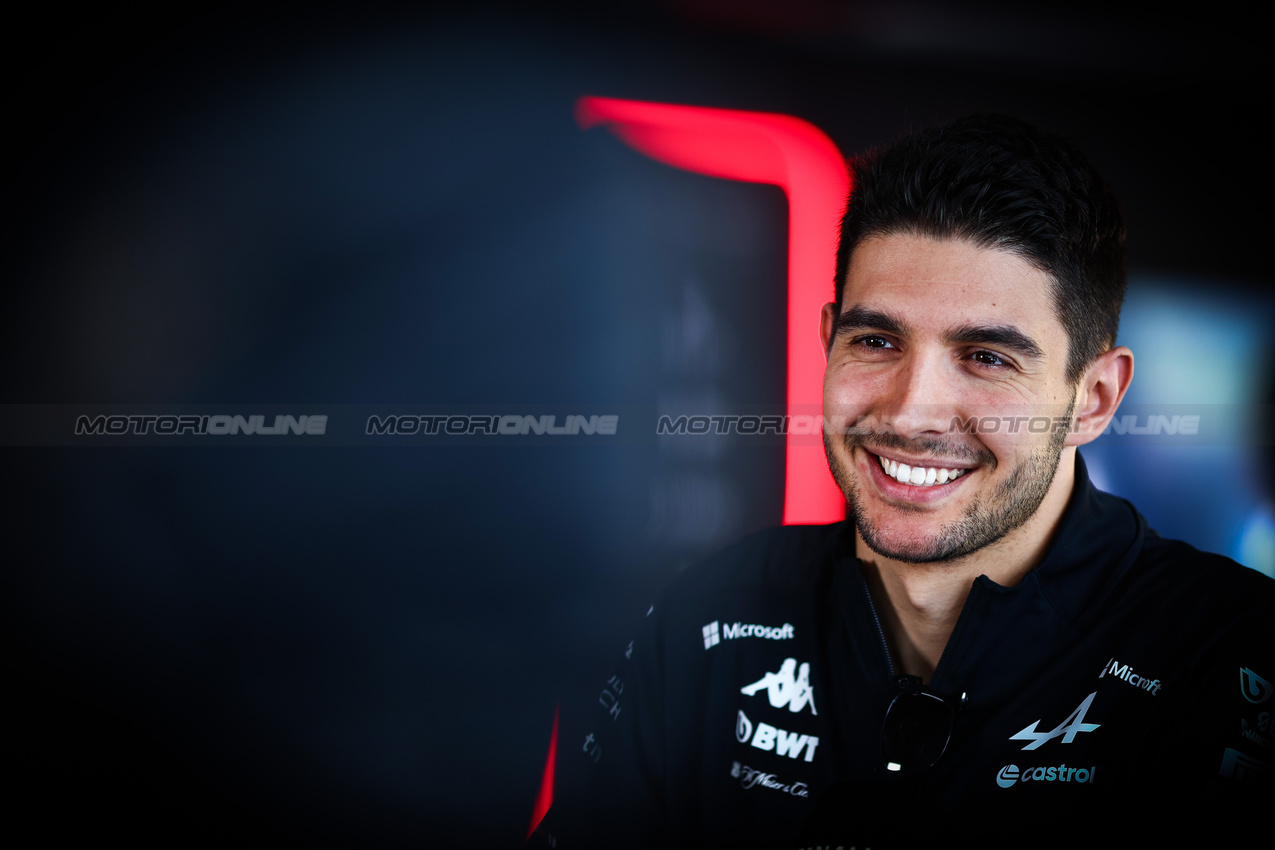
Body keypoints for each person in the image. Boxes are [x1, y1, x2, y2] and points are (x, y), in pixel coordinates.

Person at [533, 114, 1275, 849]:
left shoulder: (1221, 653)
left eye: (986, 357)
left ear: (1093, 399)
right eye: (876, 341)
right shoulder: (703, 623)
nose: (910, 411)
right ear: (827, 344)